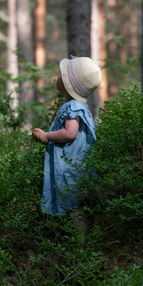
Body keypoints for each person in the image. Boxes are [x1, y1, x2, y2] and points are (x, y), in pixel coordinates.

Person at [32, 56, 101, 227]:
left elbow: (70, 133)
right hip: (75, 163)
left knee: (73, 204)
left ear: (69, 84)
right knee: (74, 203)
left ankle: (79, 247)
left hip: (70, 166)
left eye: (62, 74)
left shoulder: (73, 107)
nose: (58, 77)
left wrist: (47, 136)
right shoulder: (78, 105)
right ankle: (75, 241)